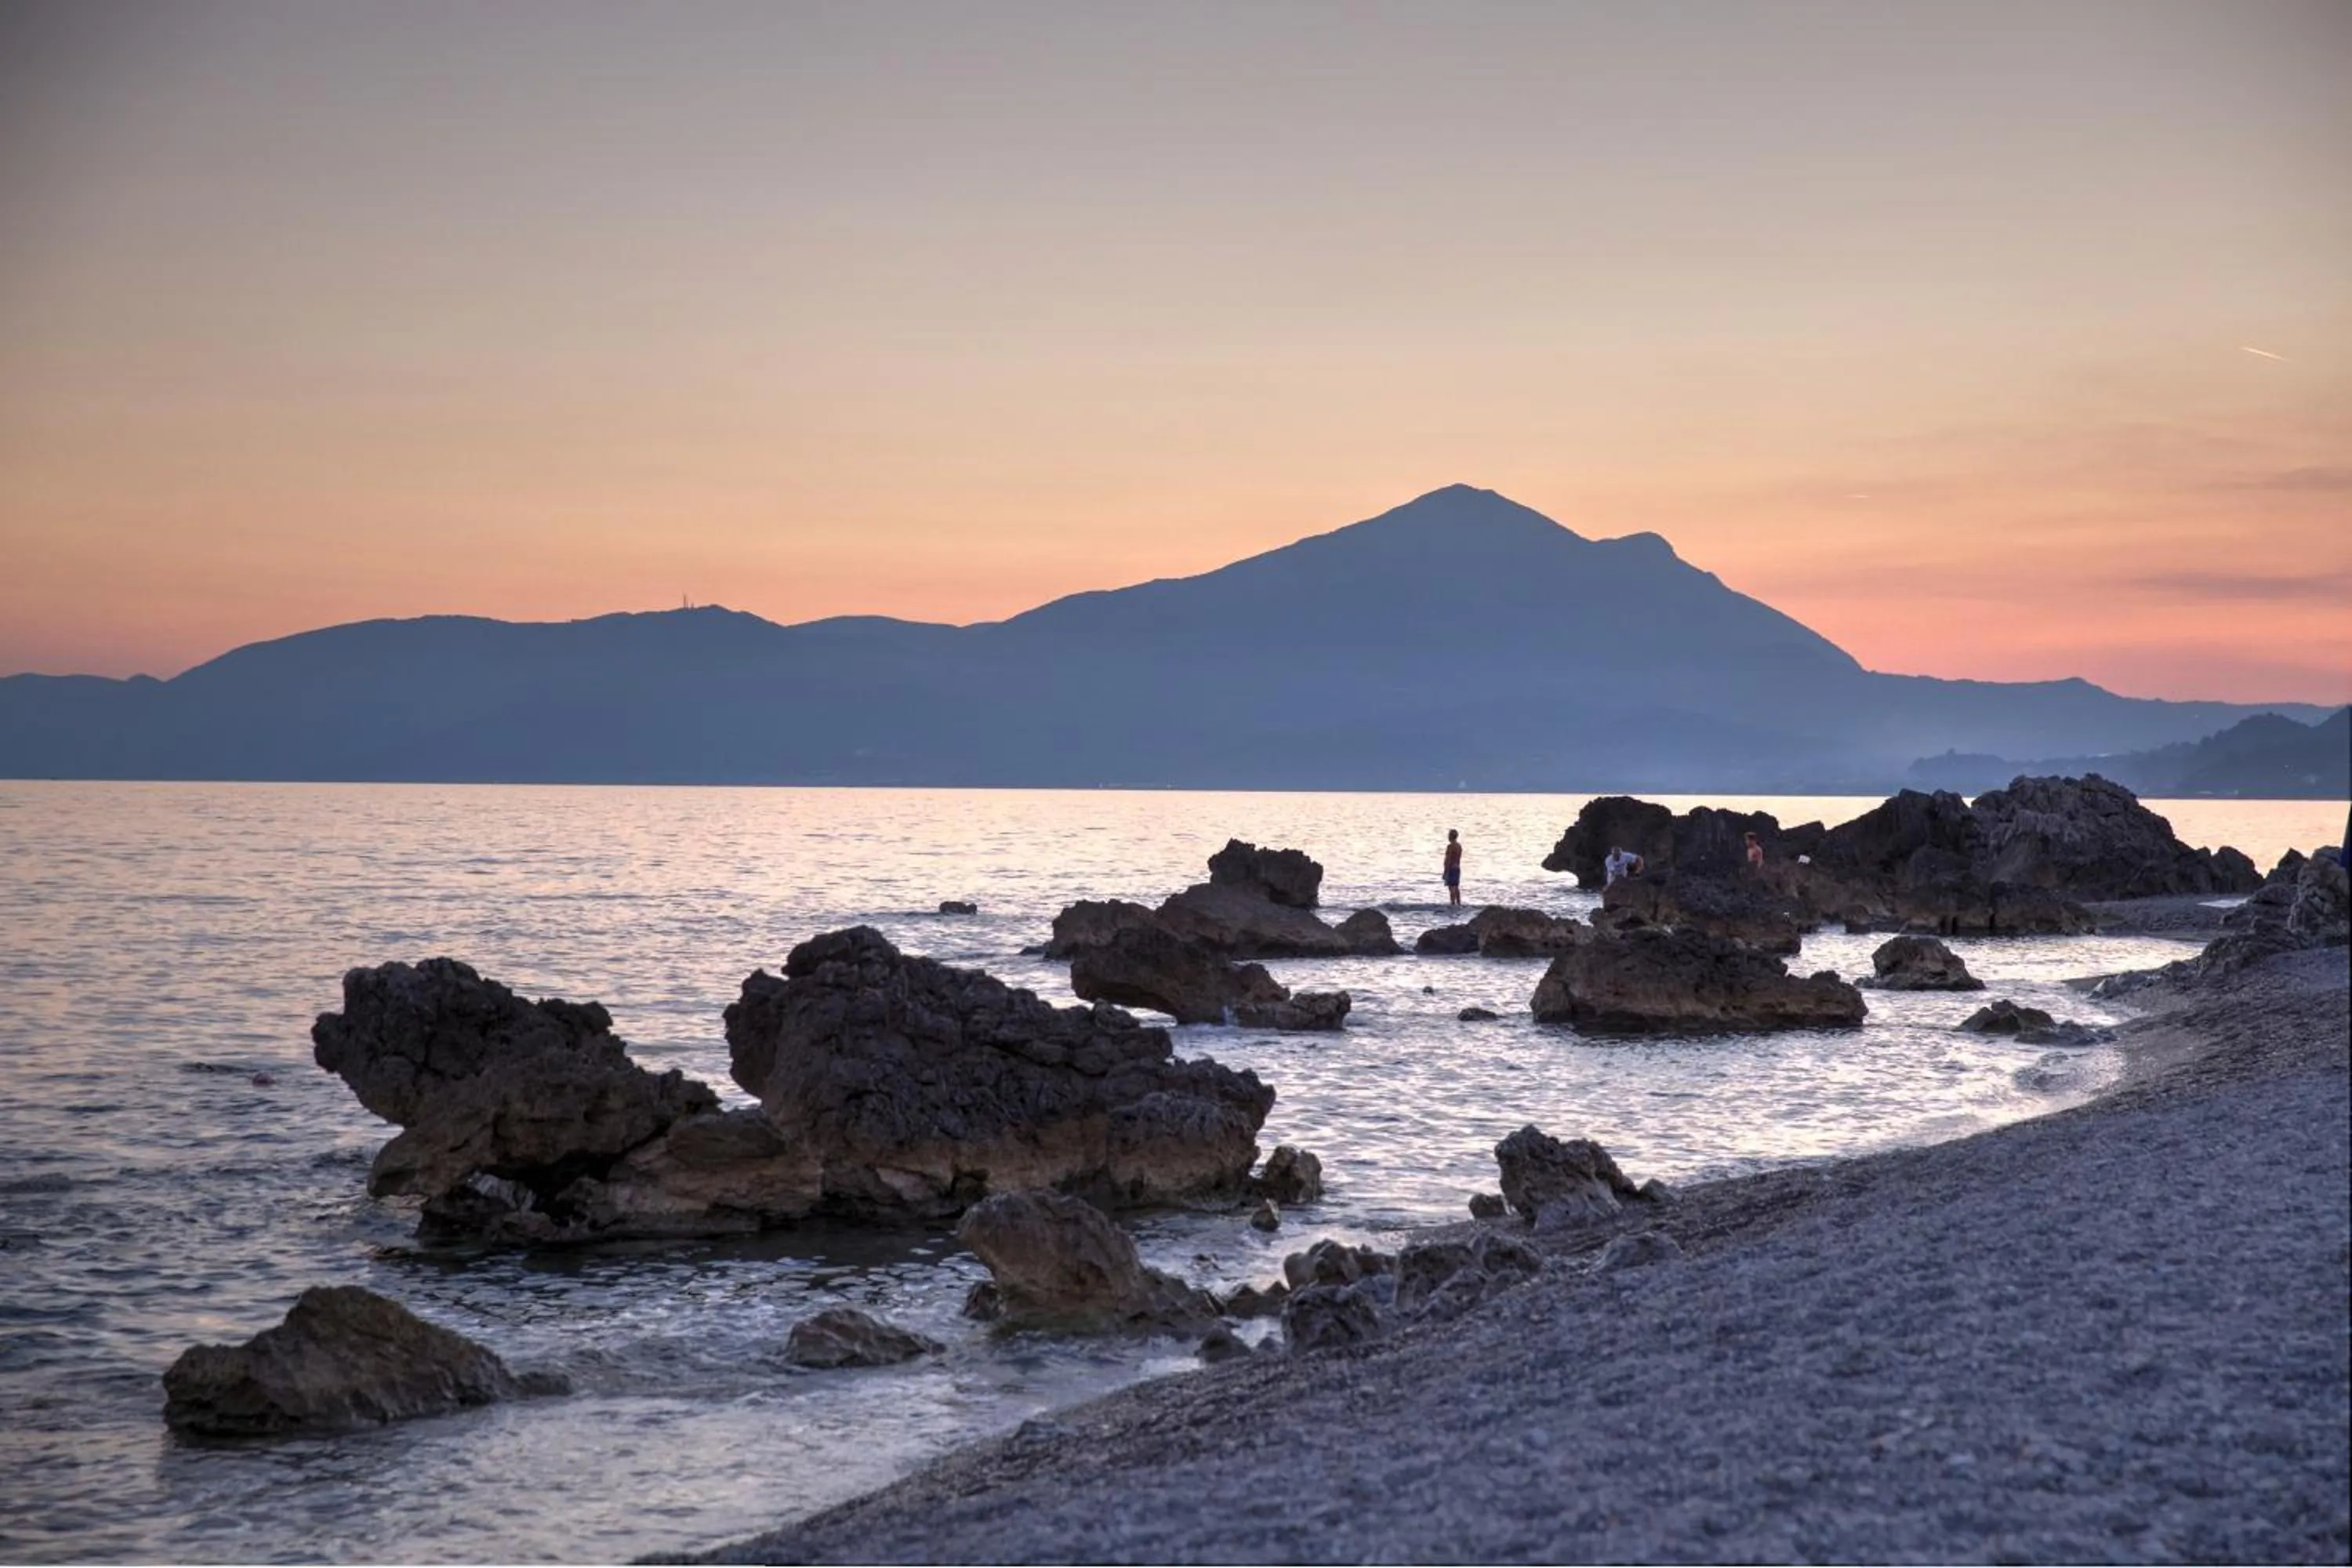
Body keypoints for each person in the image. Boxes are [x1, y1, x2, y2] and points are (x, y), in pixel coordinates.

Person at [1443, 829, 1464, 906]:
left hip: (1451, 868)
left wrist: (1445, 871)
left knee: (1451, 888)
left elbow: (1448, 859)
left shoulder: (1450, 847)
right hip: (1457, 867)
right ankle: (1459, 903)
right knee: (1456, 887)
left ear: (1451, 837)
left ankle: (1452, 903)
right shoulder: (1459, 846)